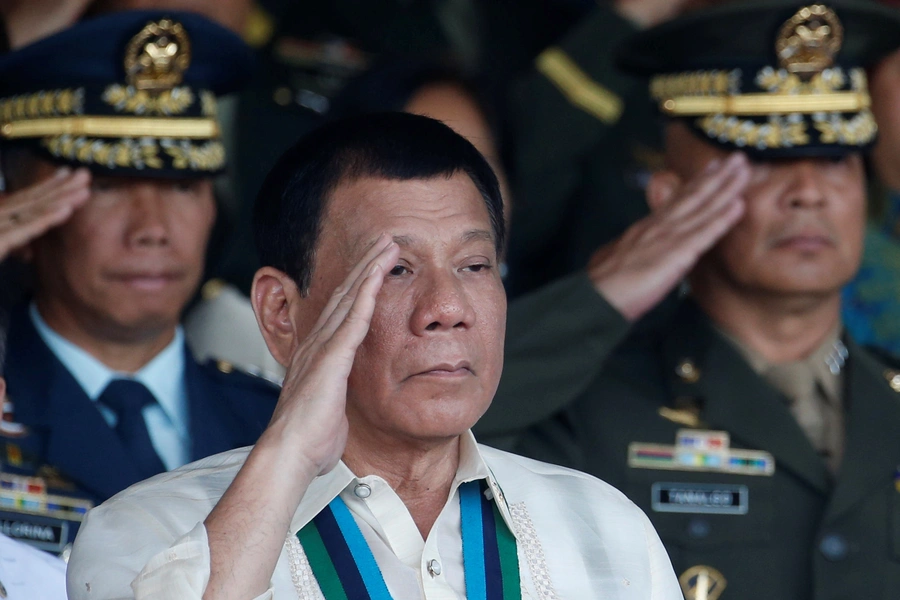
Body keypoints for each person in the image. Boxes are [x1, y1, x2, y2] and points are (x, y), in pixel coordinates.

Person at [66, 112, 681, 600]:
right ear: (282, 311)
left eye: (473, 266)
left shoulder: (602, 528)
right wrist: (290, 449)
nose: (447, 306)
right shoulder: (148, 530)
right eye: (395, 270)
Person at [508, 2, 900, 598]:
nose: (809, 193)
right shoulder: (588, 402)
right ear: (670, 197)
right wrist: (603, 296)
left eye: (836, 159)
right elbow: (415, 430)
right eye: (765, 160)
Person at [0, 10, 279, 522]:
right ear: (21, 209)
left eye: (183, 187)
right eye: (106, 187)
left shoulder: (277, 424)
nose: (152, 228)